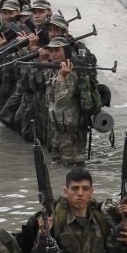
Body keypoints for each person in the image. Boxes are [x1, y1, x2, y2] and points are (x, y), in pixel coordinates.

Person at [29, 168, 109, 253]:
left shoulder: (100, 220)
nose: (80, 193)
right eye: (75, 188)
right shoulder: (54, 221)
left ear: (91, 192)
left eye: (85, 189)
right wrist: (44, 236)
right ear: (66, 191)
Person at [44, 36, 88, 166]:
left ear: (66, 51)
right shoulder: (56, 70)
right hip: (59, 131)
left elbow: (62, 101)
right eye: (51, 51)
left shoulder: (71, 73)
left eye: (57, 50)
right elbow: (49, 99)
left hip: (72, 134)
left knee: (73, 170)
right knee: (58, 167)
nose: (53, 54)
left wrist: (62, 76)